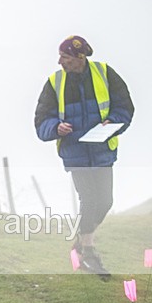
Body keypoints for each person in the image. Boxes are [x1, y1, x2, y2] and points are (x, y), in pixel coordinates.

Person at [35, 35, 135, 279]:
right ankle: (88, 252)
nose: (61, 62)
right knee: (89, 200)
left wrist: (114, 121)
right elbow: (41, 121)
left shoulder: (104, 73)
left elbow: (125, 107)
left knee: (106, 202)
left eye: (66, 57)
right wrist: (56, 128)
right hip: (75, 153)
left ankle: (80, 242)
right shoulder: (54, 82)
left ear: (80, 58)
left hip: (102, 151)